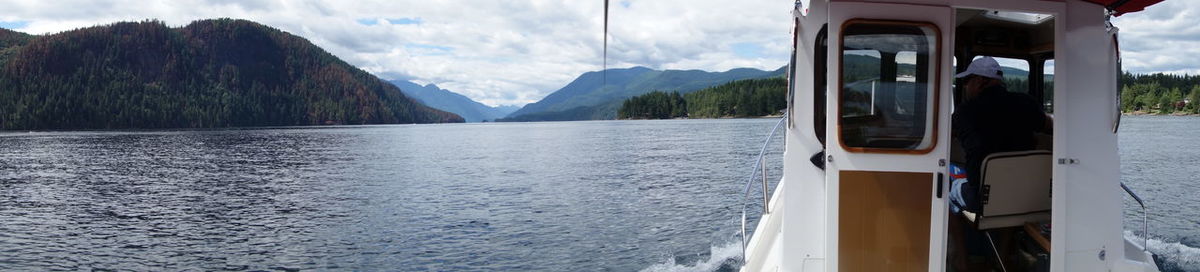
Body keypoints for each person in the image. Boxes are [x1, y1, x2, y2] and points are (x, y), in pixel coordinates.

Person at [949, 56, 1052, 213]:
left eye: (967, 81)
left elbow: (942, 135)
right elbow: (1049, 127)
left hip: (983, 197)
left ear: (980, 80)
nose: (965, 87)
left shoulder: (964, 111)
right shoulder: (1027, 103)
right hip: (1026, 193)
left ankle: (960, 239)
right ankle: (1006, 237)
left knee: (945, 190)